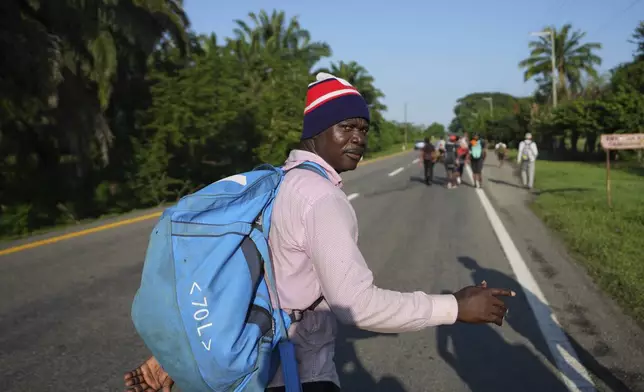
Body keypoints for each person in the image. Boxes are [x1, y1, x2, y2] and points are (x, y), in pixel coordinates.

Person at [124, 73, 515, 392]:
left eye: (363, 128)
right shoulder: (320, 199)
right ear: (317, 130)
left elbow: (244, 280)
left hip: (259, 367)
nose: (359, 138)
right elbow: (357, 306)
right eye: (346, 126)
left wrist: (174, 359)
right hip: (297, 372)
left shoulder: (278, 182)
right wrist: (455, 307)